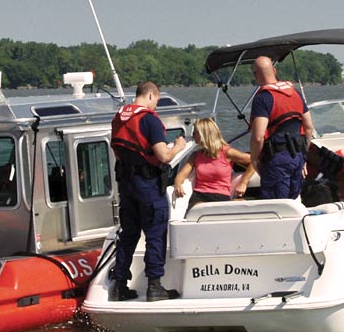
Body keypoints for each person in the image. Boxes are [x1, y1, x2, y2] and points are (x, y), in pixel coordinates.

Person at [109, 81, 187, 302]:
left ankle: (120, 285)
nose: (156, 105)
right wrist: (179, 146)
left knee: (129, 234)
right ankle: (155, 286)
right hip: (147, 185)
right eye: (157, 100)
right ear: (151, 95)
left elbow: (119, 151)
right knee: (155, 232)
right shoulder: (149, 120)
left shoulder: (119, 118)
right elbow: (163, 156)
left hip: (126, 183)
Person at [249, 56, 316, 200]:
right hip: (297, 156)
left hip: (277, 159)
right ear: (274, 70)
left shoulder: (263, 98)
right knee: (293, 200)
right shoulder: (295, 93)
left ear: (255, 75)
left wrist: (254, 159)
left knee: (276, 204)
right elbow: (309, 127)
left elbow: (258, 136)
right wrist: (303, 157)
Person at [172, 118, 254, 209]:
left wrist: (243, 182)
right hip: (199, 195)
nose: (193, 135)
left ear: (204, 134)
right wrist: (178, 185)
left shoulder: (227, 152)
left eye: (195, 132)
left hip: (221, 195)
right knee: (198, 210)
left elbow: (254, 161)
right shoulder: (195, 155)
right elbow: (181, 175)